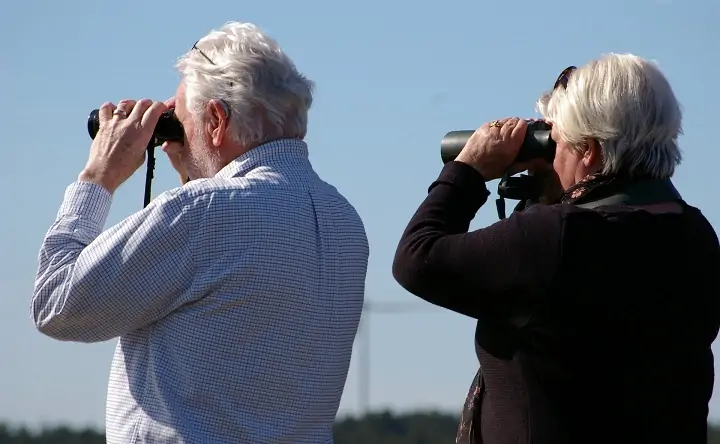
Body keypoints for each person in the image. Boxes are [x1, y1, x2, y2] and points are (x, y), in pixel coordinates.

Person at [32, 22, 369, 444]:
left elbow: (57, 303)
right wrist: (194, 173)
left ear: (216, 120)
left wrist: (98, 177)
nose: (172, 137)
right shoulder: (344, 222)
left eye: (181, 121)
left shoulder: (202, 212)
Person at [393, 53, 720, 444]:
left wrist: (467, 171)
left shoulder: (558, 238)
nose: (552, 154)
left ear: (589, 150)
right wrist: (550, 190)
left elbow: (417, 258)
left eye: (556, 142)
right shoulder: (695, 235)